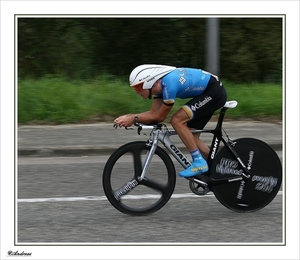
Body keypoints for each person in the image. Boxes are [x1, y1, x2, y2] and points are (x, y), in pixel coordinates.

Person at [114, 64, 227, 178]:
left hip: (214, 92)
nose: (136, 91)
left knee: (177, 120)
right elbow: (153, 114)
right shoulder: (158, 88)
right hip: (208, 91)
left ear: (150, 82)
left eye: (138, 87)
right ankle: (220, 166)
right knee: (190, 136)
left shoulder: (169, 84)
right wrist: (130, 117)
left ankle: (199, 162)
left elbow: (159, 117)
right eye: (134, 88)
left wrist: (133, 118)